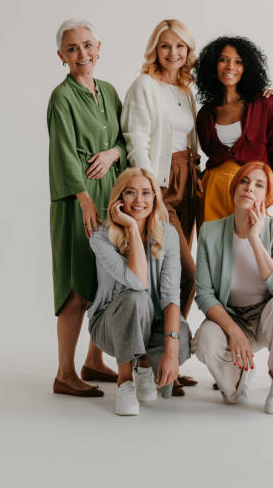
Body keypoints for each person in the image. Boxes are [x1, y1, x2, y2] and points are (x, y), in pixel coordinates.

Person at [48, 19, 127, 397]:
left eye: (87, 45)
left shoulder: (109, 92)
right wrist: (82, 200)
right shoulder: (61, 98)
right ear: (61, 56)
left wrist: (114, 153)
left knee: (106, 280)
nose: (82, 54)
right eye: (72, 48)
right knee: (76, 284)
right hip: (77, 201)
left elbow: (125, 140)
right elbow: (62, 153)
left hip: (111, 196)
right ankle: (64, 372)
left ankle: (94, 361)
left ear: (99, 47)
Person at [121, 19, 199, 395]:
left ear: (188, 51)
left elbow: (190, 138)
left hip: (189, 184)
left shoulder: (186, 89)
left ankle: (172, 357)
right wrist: (152, 194)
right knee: (180, 270)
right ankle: (147, 359)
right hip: (161, 186)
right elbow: (135, 140)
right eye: (165, 46)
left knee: (181, 273)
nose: (173, 53)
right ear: (155, 48)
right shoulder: (144, 86)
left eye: (180, 47)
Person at [193, 162, 273, 414]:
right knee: (204, 341)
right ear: (234, 188)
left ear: (266, 196)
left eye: (259, 185)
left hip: (269, 315)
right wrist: (234, 331)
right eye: (244, 181)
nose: (249, 188)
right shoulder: (210, 232)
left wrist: (254, 238)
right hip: (232, 316)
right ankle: (238, 380)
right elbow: (203, 294)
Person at [88, 168, 191, 415]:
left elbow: (170, 296)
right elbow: (137, 281)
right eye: (130, 193)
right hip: (110, 326)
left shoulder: (168, 235)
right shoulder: (101, 237)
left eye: (146, 193)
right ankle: (125, 380)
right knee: (136, 297)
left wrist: (171, 351)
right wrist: (132, 229)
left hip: (151, 322)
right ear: (119, 199)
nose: (139, 200)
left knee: (183, 337)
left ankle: (144, 365)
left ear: (155, 198)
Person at [195, 36, 273, 229]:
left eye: (238, 61)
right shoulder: (205, 114)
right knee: (214, 251)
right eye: (223, 60)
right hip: (213, 191)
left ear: (247, 67)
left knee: (252, 249)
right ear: (213, 65)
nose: (230, 66)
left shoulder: (265, 104)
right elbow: (211, 157)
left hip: (251, 190)